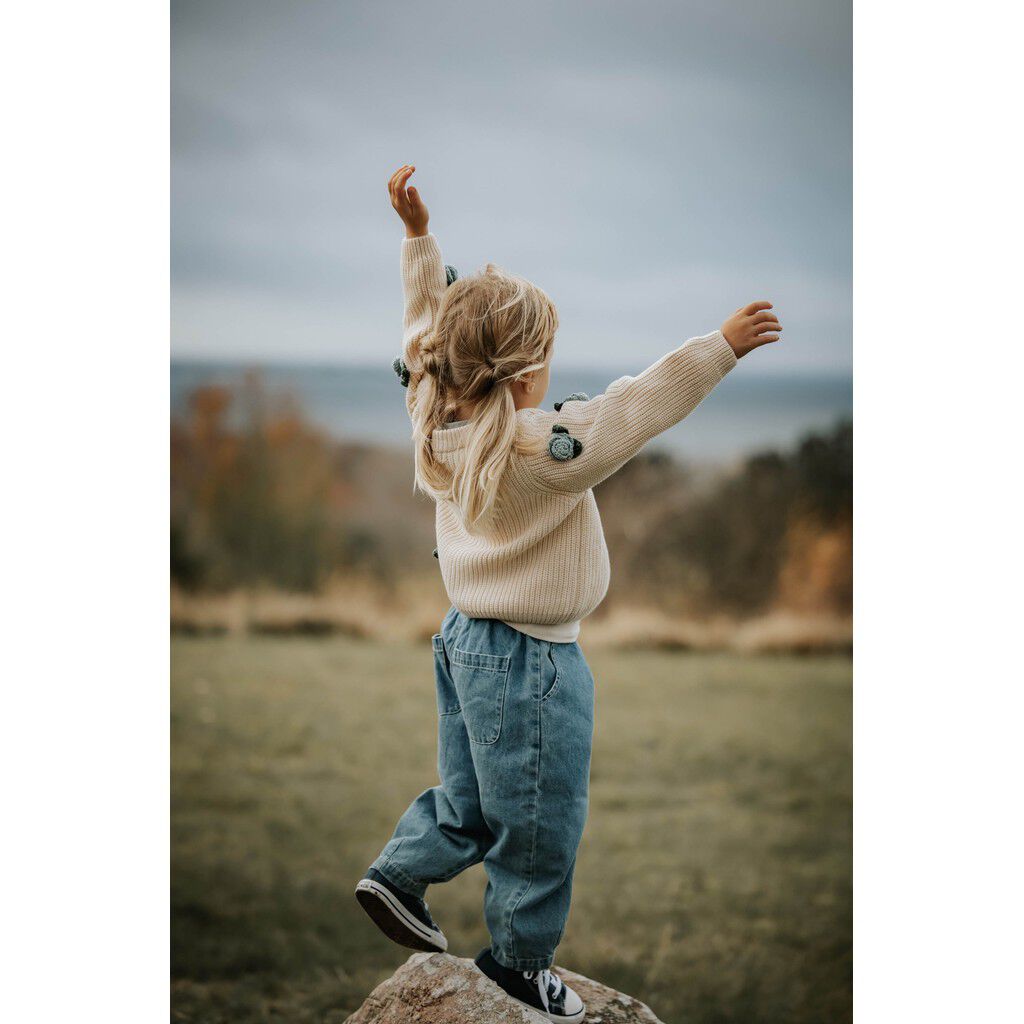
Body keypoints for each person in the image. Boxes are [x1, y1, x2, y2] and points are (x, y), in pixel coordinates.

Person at [355, 164, 782, 1021]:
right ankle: (519, 966)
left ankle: (400, 872)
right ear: (522, 376)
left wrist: (417, 243)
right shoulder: (539, 450)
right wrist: (720, 345)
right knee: (541, 823)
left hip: (463, 641)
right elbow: (637, 408)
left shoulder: (433, 420)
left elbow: (421, 334)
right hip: (533, 664)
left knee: (472, 800)